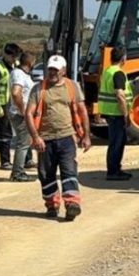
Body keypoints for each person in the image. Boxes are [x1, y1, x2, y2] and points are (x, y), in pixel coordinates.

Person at [26, 55, 91, 221]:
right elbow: (29, 113)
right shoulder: (38, 89)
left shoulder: (72, 86)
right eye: (50, 69)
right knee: (46, 174)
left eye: (55, 70)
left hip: (67, 137)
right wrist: (36, 137)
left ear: (63, 71)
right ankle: (52, 205)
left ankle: (72, 205)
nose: (52, 72)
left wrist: (86, 135)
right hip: (45, 139)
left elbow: (82, 111)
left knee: (69, 171)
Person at [97, 46, 133, 181]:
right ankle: (113, 171)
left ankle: (115, 169)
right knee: (117, 142)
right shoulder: (118, 73)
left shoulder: (108, 71)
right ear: (123, 58)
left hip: (109, 111)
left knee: (116, 141)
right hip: (116, 113)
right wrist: (125, 115)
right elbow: (120, 95)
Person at [6, 52, 38, 182]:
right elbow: (16, 93)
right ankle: (17, 173)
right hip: (20, 114)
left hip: (20, 113)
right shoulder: (19, 74)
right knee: (23, 143)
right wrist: (24, 111)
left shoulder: (21, 74)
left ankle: (21, 167)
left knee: (25, 142)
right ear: (31, 63)